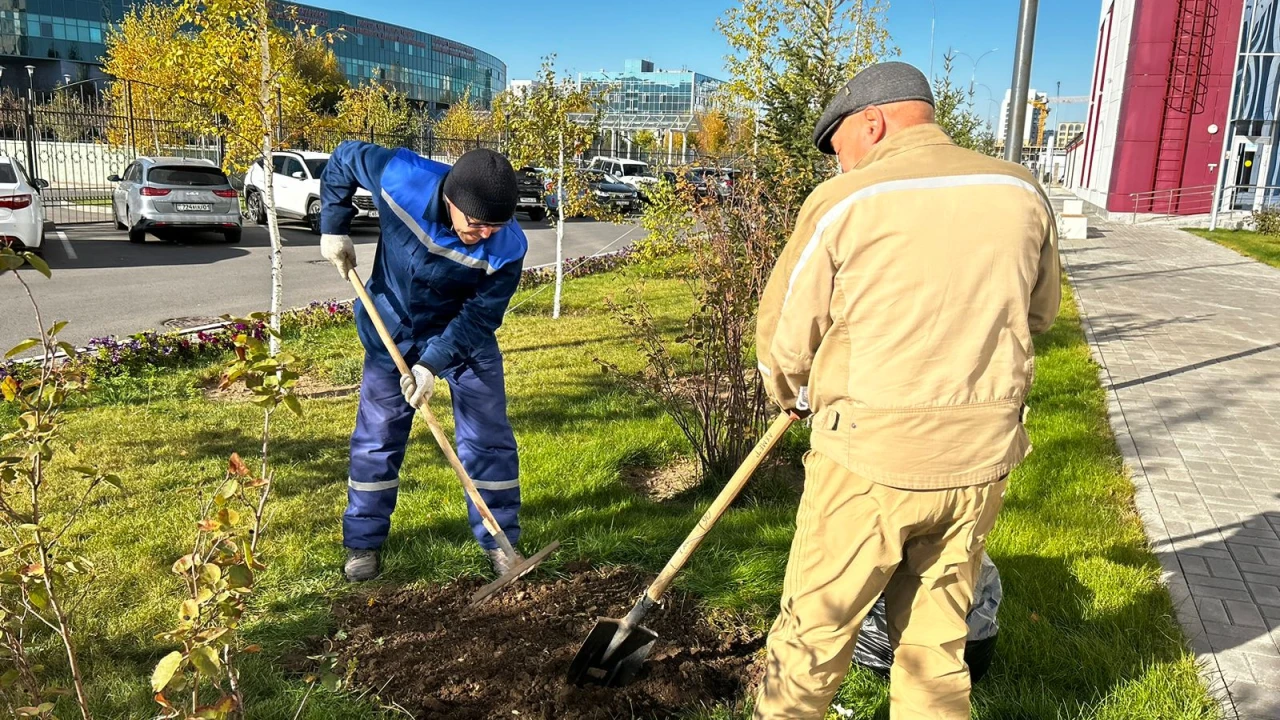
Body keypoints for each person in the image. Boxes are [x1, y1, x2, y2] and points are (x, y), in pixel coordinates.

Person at [752, 62, 1061, 719]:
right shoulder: (1023, 191)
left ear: (874, 121)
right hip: (978, 464)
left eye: (842, 150)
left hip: (868, 463)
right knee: (933, 654)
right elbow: (1040, 315)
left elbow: (784, 338)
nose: (842, 167)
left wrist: (793, 391)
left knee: (811, 643)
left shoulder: (845, 203)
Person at [318, 142, 527, 583]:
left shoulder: (508, 246)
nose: (487, 233)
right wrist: (333, 227)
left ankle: (501, 541)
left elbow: (481, 314)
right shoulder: (400, 178)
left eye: (496, 225)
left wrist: (431, 365)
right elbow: (342, 159)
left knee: (488, 439)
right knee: (377, 438)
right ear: (451, 201)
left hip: (463, 338)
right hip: (391, 327)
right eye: (477, 223)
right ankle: (363, 543)